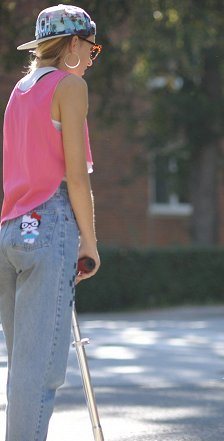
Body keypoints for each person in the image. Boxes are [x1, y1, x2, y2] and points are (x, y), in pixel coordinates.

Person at [0, 4, 101, 440]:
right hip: (52, 221)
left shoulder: (20, 90)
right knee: (39, 371)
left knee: (22, 365)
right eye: (92, 49)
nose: (92, 58)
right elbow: (76, 178)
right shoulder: (69, 86)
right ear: (74, 44)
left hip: (10, 228)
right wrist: (90, 244)